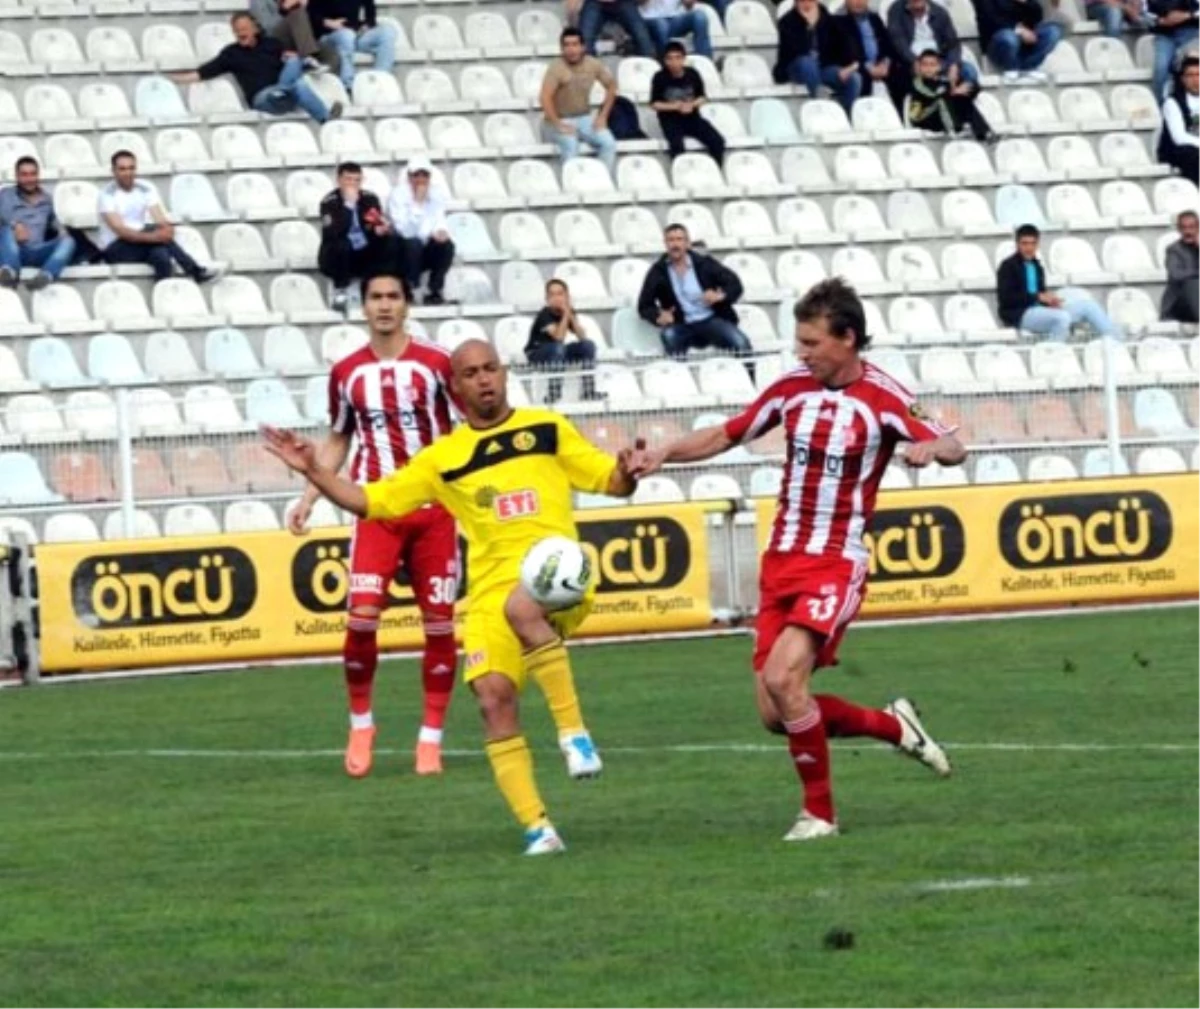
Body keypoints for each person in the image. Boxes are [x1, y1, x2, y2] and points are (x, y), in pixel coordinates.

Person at [264, 335, 635, 855]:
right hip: (488, 593)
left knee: (522, 605)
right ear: (455, 389)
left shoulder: (547, 429)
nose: (484, 379)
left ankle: (574, 735)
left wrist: (630, 470)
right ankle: (539, 829)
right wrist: (314, 472)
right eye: (471, 373)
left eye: (491, 368)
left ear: (504, 373)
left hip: (558, 575)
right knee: (491, 700)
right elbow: (372, 500)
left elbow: (610, 480)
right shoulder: (443, 458)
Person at [627, 278, 962, 842]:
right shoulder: (791, 388)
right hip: (781, 560)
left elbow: (952, 442)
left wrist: (934, 449)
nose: (801, 353)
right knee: (775, 713)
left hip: (836, 561)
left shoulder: (886, 397)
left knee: (785, 679)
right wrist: (664, 453)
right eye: (799, 342)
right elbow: (727, 434)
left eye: (811, 343)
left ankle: (820, 816)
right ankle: (893, 725)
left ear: (848, 339)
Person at [288, 275, 459, 777]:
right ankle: (361, 723)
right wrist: (310, 496)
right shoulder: (346, 372)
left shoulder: (437, 364)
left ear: (407, 305)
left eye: (393, 297)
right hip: (374, 508)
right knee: (361, 618)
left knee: (440, 624)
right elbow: (339, 440)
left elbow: (464, 429)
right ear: (363, 307)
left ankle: (431, 738)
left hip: (434, 510)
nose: (384, 306)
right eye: (375, 298)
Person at [170, 12, 339, 124]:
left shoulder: (272, 45)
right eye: (236, 30)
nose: (240, 33)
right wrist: (172, 79)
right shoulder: (231, 53)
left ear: (254, 29)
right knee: (294, 84)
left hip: (284, 95)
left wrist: (294, 61)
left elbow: (289, 65)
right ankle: (282, 90)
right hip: (262, 98)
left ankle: (326, 120)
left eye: (244, 29)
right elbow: (203, 72)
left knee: (296, 69)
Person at [637, 223, 753, 367]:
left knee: (742, 343)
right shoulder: (657, 271)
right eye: (671, 240)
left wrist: (720, 296)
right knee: (668, 335)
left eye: (679, 239)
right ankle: (681, 380)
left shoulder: (704, 263)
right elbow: (644, 305)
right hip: (681, 323)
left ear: (687, 243)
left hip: (711, 319)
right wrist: (658, 316)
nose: (675, 244)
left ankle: (750, 382)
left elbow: (735, 284)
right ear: (665, 244)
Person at [98, 151, 218, 284]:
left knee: (161, 254)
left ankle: (162, 294)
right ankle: (195, 271)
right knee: (157, 240)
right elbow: (121, 230)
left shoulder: (145, 189)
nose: (128, 173)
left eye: (132, 168)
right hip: (115, 248)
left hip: (140, 242)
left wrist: (167, 231)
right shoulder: (106, 196)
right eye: (122, 169)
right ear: (113, 171)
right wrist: (156, 237)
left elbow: (160, 220)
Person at [996, 224, 1124, 340]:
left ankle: (1117, 340)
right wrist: (1038, 297)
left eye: (1032, 243)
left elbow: (1040, 294)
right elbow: (1007, 299)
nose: (1029, 248)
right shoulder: (1007, 266)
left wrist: (1050, 302)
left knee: (1088, 306)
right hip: (1020, 315)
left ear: (1037, 244)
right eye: (1024, 243)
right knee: (1062, 318)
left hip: (1040, 311)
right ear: (1017, 244)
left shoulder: (1037, 266)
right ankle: (1054, 354)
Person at [541, 28, 619, 175]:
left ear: (583, 47)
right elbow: (545, 97)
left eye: (575, 44)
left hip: (584, 117)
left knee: (608, 143)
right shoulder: (556, 68)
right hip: (558, 120)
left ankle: (601, 181)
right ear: (562, 48)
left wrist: (603, 116)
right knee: (570, 145)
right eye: (567, 45)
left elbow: (612, 85)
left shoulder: (593, 64)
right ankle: (572, 186)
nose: (571, 49)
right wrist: (557, 123)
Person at [318, 161, 392, 313]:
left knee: (390, 242)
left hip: (362, 251)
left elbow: (374, 223)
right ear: (339, 180)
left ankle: (383, 289)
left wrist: (380, 229)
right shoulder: (329, 202)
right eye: (348, 179)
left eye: (356, 180)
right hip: (336, 255)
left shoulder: (369, 199)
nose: (352, 184)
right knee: (341, 244)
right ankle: (340, 292)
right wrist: (349, 206)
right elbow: (333, 233)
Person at [0, 156, 75, 291]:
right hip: (12, 250)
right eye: (24, 175)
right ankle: (10, 273)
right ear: (16, 176)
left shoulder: (47, 198)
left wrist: (61, 230)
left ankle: (46, 275)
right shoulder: (5, 195)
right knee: (5, 230)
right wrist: (13, 225)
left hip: (38, 250)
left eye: (33, 174)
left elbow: (53, 221)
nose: (29, 179)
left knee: (69, 241)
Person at [386, 157, 454, 306]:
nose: (421, 179)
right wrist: (418, 203)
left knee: (447, 246)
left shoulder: (436, 194)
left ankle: (434, 290)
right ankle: (410, 288)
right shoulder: (398, 195)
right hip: (402, 249)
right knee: (413, 244)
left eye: (425, 175)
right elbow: (406, 232)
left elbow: (439, 219)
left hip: (424, 245)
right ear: (409, 177)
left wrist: (440, 231)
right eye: (416, 175)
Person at [772, 0, 860, 113]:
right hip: (796, 68)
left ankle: (843, 114)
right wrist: (808, 26)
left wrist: (851, 65)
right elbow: (799, 51)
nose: (807, 4)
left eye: (811, 1)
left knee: (854, 78)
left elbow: (842, 43)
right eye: (802, 1)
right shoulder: (787, 22)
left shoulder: (827, 18)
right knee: (807, 62)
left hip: (824, 68)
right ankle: (823, 106)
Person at [650, 41, 725, 164]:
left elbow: (702, 97)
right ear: (665, 60)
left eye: (678, 58)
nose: (674, 62)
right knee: (676, 146)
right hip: (670, 120)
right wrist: (676, 106)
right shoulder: (659, 77)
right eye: (670, 59)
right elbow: (655, 104)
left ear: (684, 59)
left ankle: (715, 170)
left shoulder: (692, 74)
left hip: (692, 117)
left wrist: (692, 105)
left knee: (717, 141)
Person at [526, 278, 600, 403]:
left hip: (557, 353)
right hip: (537, 353)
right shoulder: (544, 314)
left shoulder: (568, 311)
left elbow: (582, 336)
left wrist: (570, 314)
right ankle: (554, 394)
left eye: (560, 294)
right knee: (558, 347)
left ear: (567, 296)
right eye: (552, 294)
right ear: (547, 299)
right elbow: (558, 337)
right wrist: (566, 314)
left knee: (588, 345)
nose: (556, 298)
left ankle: (588, 391)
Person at [833, 0, 909, 111]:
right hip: (855, 65)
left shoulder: (874, 18)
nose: (858, 3)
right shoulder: (838, 20)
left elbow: (887, 44)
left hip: (880, 64)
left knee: (903, 75)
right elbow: (846, 51)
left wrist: (886, 63)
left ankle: (902, 118)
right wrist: (868, 67)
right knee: (862, 79)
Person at [906, 49, 997, 142]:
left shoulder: (944, 81)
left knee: (964, 100)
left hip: (942, 117)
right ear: (919, 67)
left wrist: (966, 87)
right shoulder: (917, 83)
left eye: (932, 65)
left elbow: (975, 88)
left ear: (939, 66)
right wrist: (952, 92)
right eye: (925, 65)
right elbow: (932, 95)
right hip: (923, 118)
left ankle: (984, 133)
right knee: (942, 100)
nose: (928, 68)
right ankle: (954, 133)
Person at [308, 0, 397, 92]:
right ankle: (348, 86)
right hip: (328, 35)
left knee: (388, 32)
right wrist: (329, 23)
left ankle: (380, 81)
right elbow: (309, 14)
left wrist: (366, 26)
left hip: (355, 34)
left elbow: (370, 11)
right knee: (347, 35)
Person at [887, 0, 979, 87]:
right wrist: (915, 61)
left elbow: (953, 43)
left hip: (940, 62)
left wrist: (953, 64)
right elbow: (899, 43)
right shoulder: (896, 11)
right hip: (911, 63)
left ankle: (961, 99)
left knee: (968, 71)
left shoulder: (939, 12)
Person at [971, 0, 1063, 81]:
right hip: (997, 40)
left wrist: (1027, 3)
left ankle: (1029, 68)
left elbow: (1037, 17)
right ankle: (1012, 69)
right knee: (1009, 38)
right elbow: (989, 19)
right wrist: (1018, 30)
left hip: (1025, 41)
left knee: (1053, 32)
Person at [249, 0, 327, 67]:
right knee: (297, 13)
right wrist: (285, 8)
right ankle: (309, 58)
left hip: (300, 38)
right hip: (274, 39)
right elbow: (268, 27)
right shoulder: (256, 1)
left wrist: (304, 6)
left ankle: (314, 63)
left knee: (332, 55)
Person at [1159, 55, 1200, 183]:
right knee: (1192, 155)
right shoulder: (1172, 103)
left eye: (1199, 74)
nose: (1195, 80)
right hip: (1178, 151)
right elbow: (1179, 137)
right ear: (1183, 79)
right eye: (1190, 75)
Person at [1151, 0, 1200, 99]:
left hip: (1192, 32)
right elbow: (1143, 12)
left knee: (1190, 64)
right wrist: (1159, 20)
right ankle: (1160, 107)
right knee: (1161, 68)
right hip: (1164, 34)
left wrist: (1187, 15)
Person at [1161, 210, 1200, 321]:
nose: (1188, 232)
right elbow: (1176, 274)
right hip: (1179, 304)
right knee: (1194, 283)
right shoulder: (1174, 250)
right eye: (1184, 228)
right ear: (1179, 229)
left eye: (1191, 227)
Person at [578, 0, 656, 56]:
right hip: (595, 2)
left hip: (624, 2)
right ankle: (587, 73)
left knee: (643, 38)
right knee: (584, 40)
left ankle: (648, 73)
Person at [641, 0, 713, 59]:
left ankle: (705, 63)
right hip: (651, 18)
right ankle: (666, 65)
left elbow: (688, 6)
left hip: (676, 19)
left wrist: (688, 2)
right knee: (661, 25)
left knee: (699, 16)